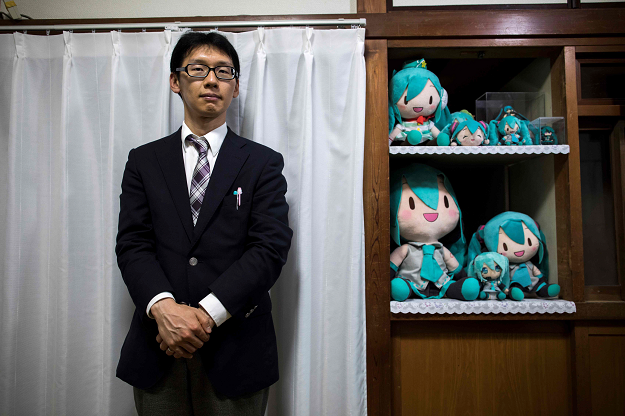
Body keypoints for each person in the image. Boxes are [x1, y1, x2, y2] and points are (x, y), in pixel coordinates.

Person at [115, 31, 293, 416]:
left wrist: (204, 314)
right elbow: (133, 244)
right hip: (157, 347)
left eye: (224, 71)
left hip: (237, 350)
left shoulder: (263, 163)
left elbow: (269, 248)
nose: (212, 80)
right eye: (198, 69)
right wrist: (165, 310)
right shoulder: (144, 161)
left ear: (236, 88)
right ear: (175, 81)